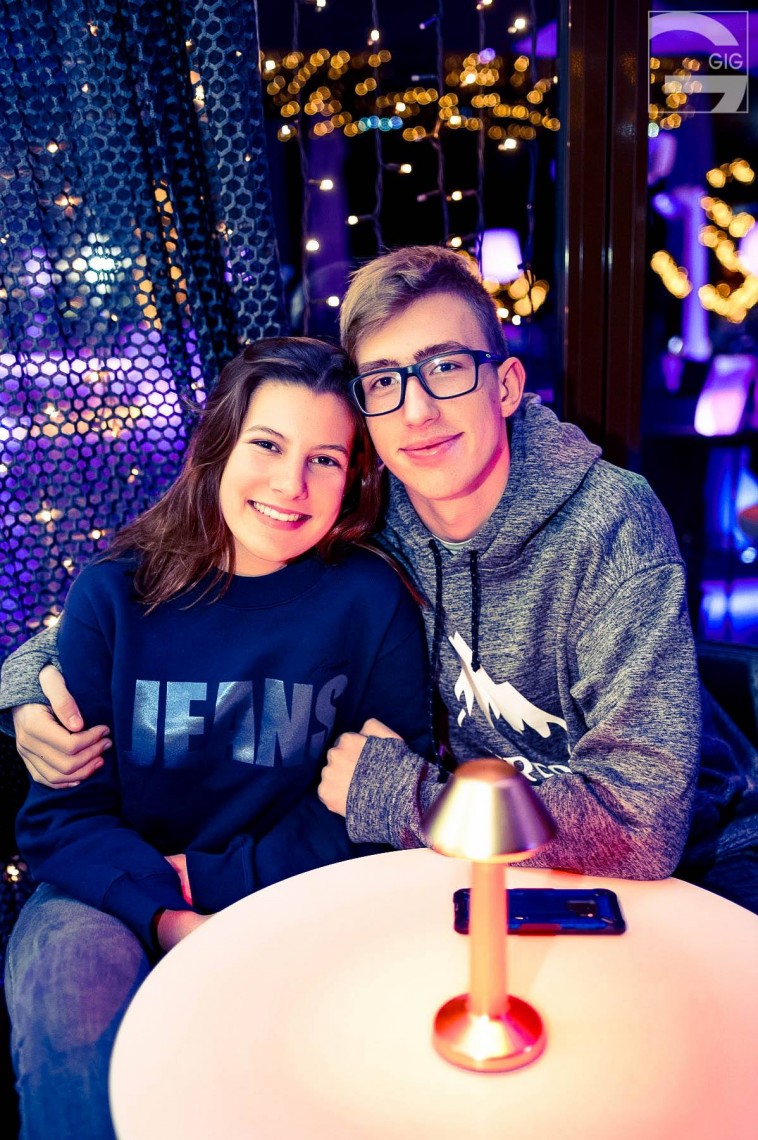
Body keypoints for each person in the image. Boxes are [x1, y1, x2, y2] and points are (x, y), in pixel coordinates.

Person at [4, 247, 758, 914]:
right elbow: (156, 587)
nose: (418, 410)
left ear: (505, 385)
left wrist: (403, 796)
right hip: (465, 863)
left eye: (447, 368)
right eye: (386, 380)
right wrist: (30, 683)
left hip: (694, 859)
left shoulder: (609, 522)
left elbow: (642, 824)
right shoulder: (363, 506)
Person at [2, 336, 432, 1140]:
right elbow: (61, 818)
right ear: (217, 444)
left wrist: (215, 880)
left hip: (297, 888)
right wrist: (168, 917)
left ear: (355, 478)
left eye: (325, 460)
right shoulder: (114, 597)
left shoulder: (370, 602)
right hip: (108, 891)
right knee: (77, 1028)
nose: (290, 484)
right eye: (267, 444)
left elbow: (370, 812)